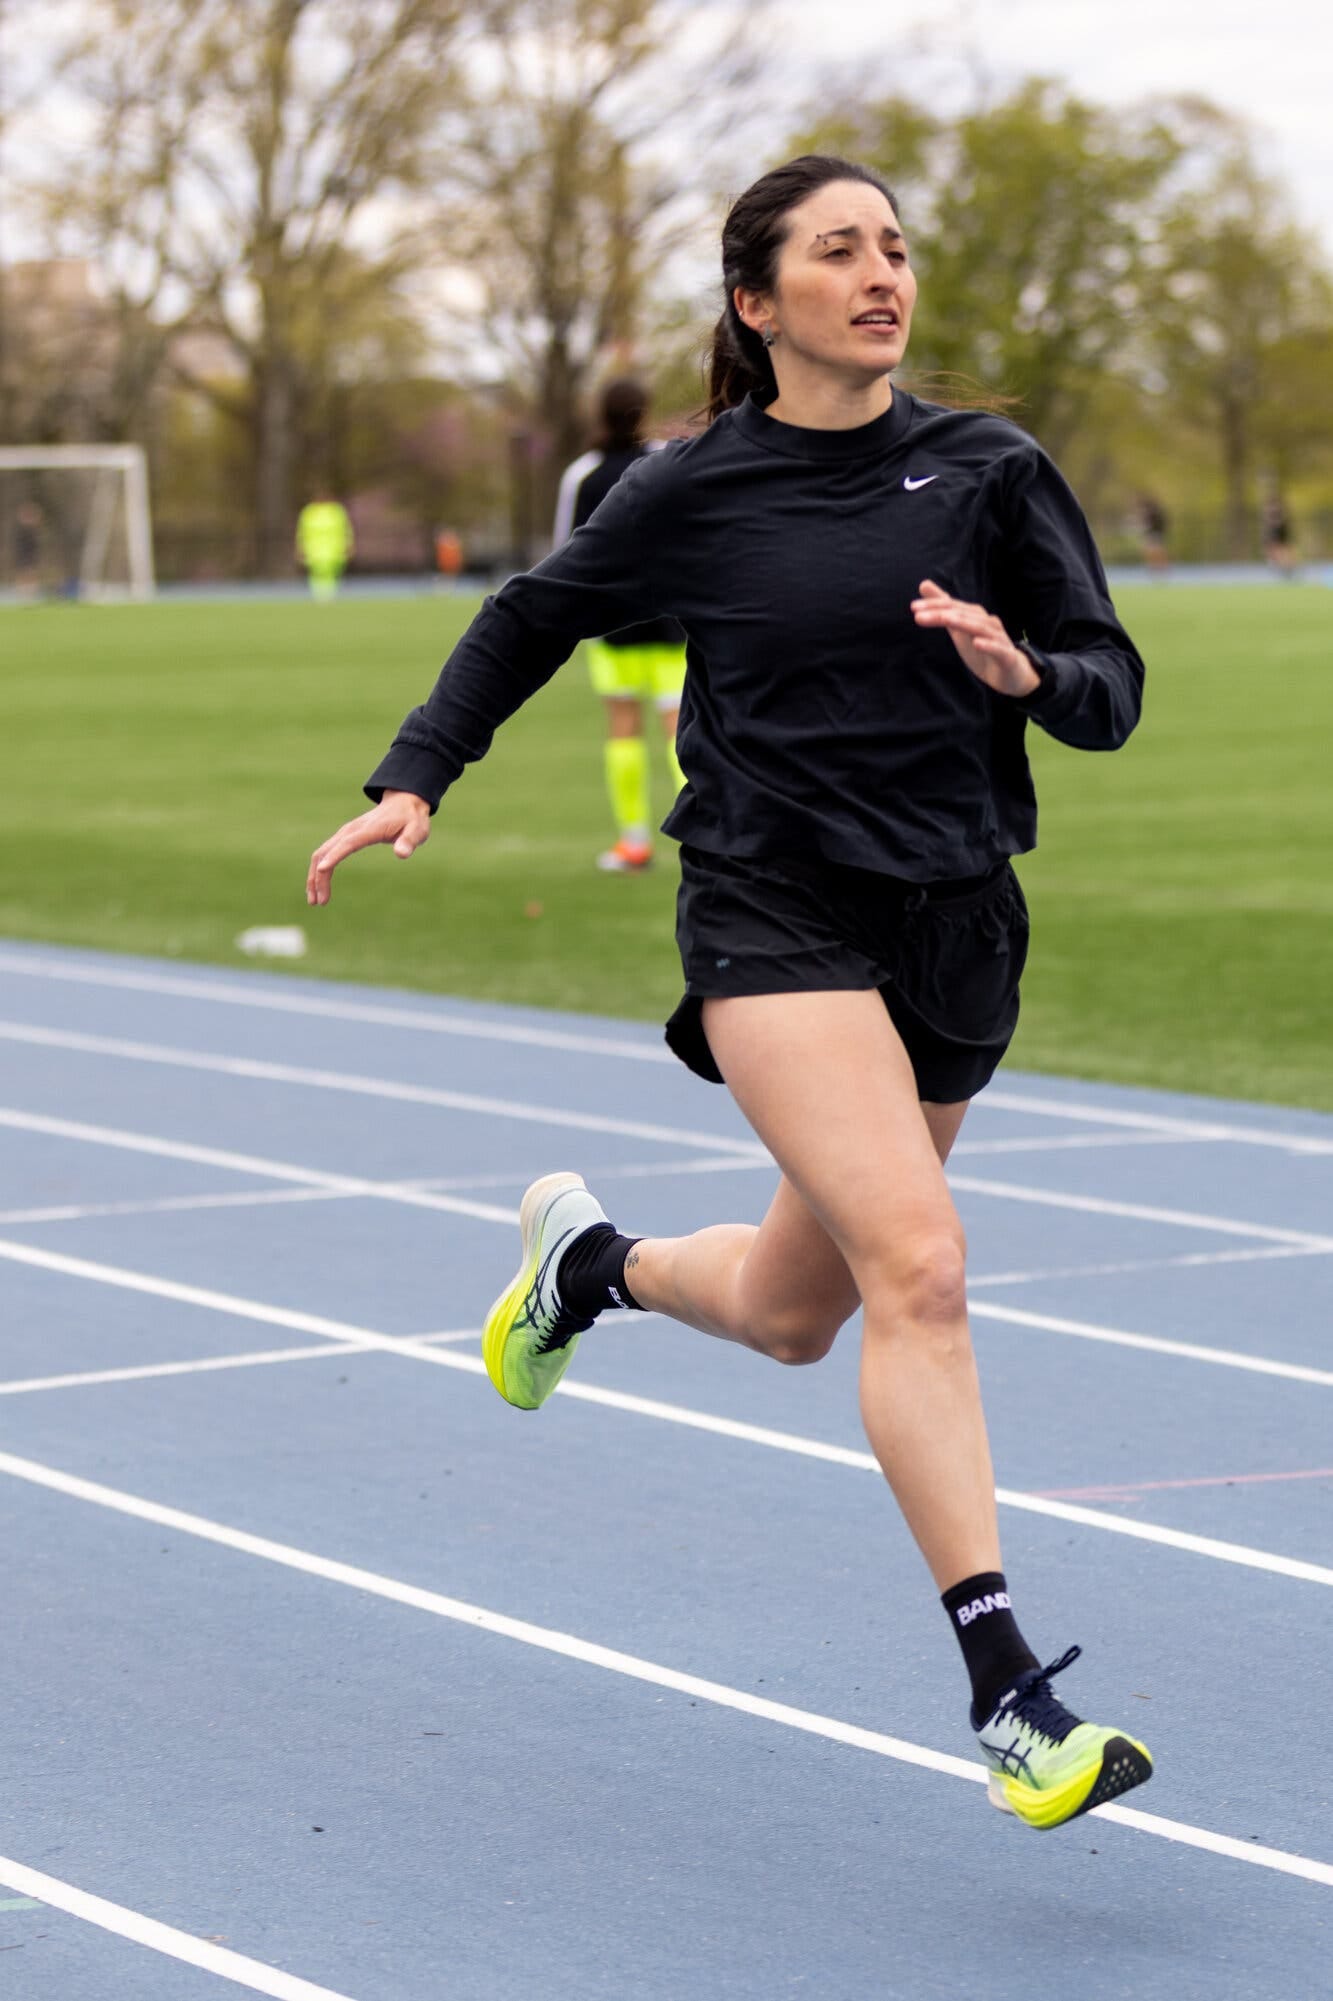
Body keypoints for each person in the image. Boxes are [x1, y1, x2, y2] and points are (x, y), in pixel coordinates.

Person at [307, 154, 1152, 1831]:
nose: (881, 273)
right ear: (756, 303)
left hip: (955, 924)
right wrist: (418, 776)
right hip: (772, 914)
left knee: (793, 1310)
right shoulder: (693, 489)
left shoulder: (988, 468)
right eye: (838, 250)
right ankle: (1006, 1695)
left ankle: (589, 1268)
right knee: (919, 1265)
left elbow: (1109, 690)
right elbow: (526, 619)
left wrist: (1024, 670)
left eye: (896, 247)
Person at [552, 377, 688, 872]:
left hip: (613, 625)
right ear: (644, 412)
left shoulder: (583, 475)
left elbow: (567, 554)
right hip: (673, 620)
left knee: (624, 729)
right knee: (682, 731)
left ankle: (633, 841)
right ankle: (705, 837)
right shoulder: (668, 461)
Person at [295, 490, 354, 599]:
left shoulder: (336, 511)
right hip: (314, 549)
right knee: (317, 572)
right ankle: (319, 595)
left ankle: (330, 594)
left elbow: (346, 530)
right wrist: (300, 548)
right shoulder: (309, 512)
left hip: (334, 549)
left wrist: (348, 544)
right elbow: (301, 532)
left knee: (332, 572)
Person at [1135, 493, 1170, 575]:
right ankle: (1154, 568)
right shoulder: (1150, 514)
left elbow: (1161, 524)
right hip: (1152, 534)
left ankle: (1162, 568)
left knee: (1158, 552)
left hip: (1156, 534)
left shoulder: (1156, 515)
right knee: (1151, 552)